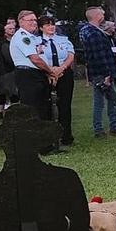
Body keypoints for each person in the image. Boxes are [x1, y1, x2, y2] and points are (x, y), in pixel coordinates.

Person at [78, 6, 116, 138]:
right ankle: (101, 129)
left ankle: (111, 126)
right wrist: (107, 75)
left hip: (98, 71)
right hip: (101, 73)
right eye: (102, 14)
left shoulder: (87, 31)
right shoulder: (94, 33)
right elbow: (100, 56)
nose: (103, 16)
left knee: (110, 99)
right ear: (97, 16)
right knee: (101, 101)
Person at [38, 17, 76, 148]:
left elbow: (70, 55)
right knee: (47, 106)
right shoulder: (37, 41)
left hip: (64, 74)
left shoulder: (63, 39)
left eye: (52, 24)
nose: (51, 27)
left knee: (65, 105)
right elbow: (38, 57)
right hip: (46, 75)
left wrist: (61, 68)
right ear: (41, 28)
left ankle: (66, 136)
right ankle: (49, 139)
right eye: (47, 25)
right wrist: (50, 72)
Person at [0, 21, 18, 113]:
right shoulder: (0, 44)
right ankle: (1, 111)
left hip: (6, 73)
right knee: (2, 93)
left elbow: (9, 59)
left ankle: (12, 112)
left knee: (11, 94)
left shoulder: (3, 45)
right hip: (0, 73)